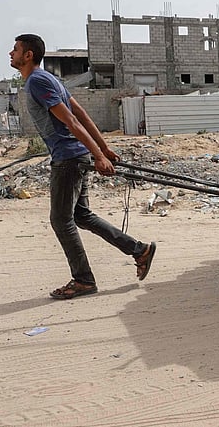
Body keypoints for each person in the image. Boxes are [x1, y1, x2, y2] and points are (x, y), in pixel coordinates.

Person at [10, 34, 156, 299]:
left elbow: (72, 122)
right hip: (75, 156)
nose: (11, 53)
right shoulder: (50, 80)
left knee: (60, 220)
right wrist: (102, 148)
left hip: (68, 159)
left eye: (16, 49)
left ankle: (83, 280)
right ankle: (139, 250)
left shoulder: (38, 81)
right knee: (81, 216)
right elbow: (81, 114)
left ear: (28, 55)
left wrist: (99, 155)